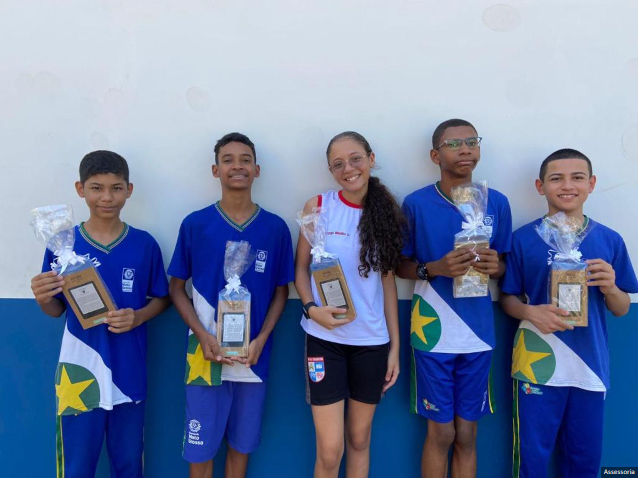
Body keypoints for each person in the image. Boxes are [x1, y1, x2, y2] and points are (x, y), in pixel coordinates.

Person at [30, 150, 171, 478]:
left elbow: (162, 300)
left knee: (129, 465)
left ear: (129, 190)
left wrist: (138, 316)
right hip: (79, 374)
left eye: (116, 188)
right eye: (96, 188)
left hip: (128, 372)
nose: (107, 197)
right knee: (77, 467)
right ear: (80, 189)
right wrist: (41, 297)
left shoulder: (144, 244)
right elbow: (55, 309)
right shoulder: (62, 245)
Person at [499, 148, 638, 478]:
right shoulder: (523, 239)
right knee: (531, 460)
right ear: (540, 186)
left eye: (577, 177)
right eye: (556, 178)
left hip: (589, 367)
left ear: (591, 184)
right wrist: (530, 312)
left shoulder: (609, 240)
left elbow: (621, 308)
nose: (567, 185)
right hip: (536, 364)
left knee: (584, 462)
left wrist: (611, 287)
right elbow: (507, 299)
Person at [168, 132, 294, 478]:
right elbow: (176, 288)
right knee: (201, 452)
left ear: (257, 169)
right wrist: (201, 334)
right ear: (215, 170)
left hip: (253, 357)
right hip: (203, 356)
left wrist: (262, 339)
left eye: (245, 160)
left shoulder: (275, 228)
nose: (237, 166)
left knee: (241, 447)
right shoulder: (196, 224)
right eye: (228, 160)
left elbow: (281, 291)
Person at [396, 119, 512, 478]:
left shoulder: (497, 202)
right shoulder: (416, 203)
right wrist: (434, 268)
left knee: (466, 434)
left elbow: (505, 266)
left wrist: (496, 266)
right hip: (432, 330)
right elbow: (399, 265)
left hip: (478, 333)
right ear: (435, 155)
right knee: (442, 432)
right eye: (454, 143)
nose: (465, 149)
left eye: (472, 141)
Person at [295, 131, 402, 478]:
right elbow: (300, 269)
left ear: (371, 159)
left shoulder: (386, 213)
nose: (348, 169)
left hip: (371, 342)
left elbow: (387, 282)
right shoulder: (318, 207)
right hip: (324, 341)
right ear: (330, 170)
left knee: (358, 439)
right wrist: (311, 309)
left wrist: (394, 348)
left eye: (355, 158)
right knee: (330, 450)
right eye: (338, 164)